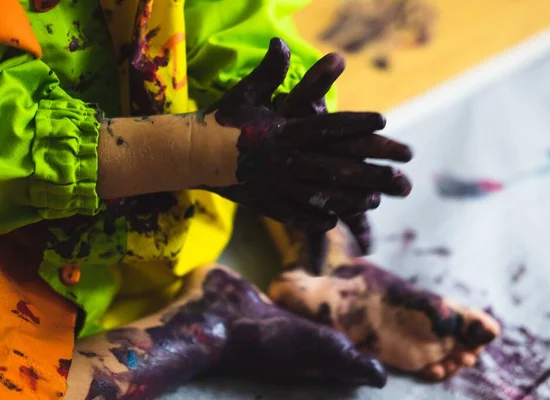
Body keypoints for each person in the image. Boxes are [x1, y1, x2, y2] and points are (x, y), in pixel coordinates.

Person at [0, 1, 500, 398]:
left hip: (182, 208)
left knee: (279, 144)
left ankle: (324, 263)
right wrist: (197, 150)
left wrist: (294, 129)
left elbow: (225, 21)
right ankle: (205, 325)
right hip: (20, 260)